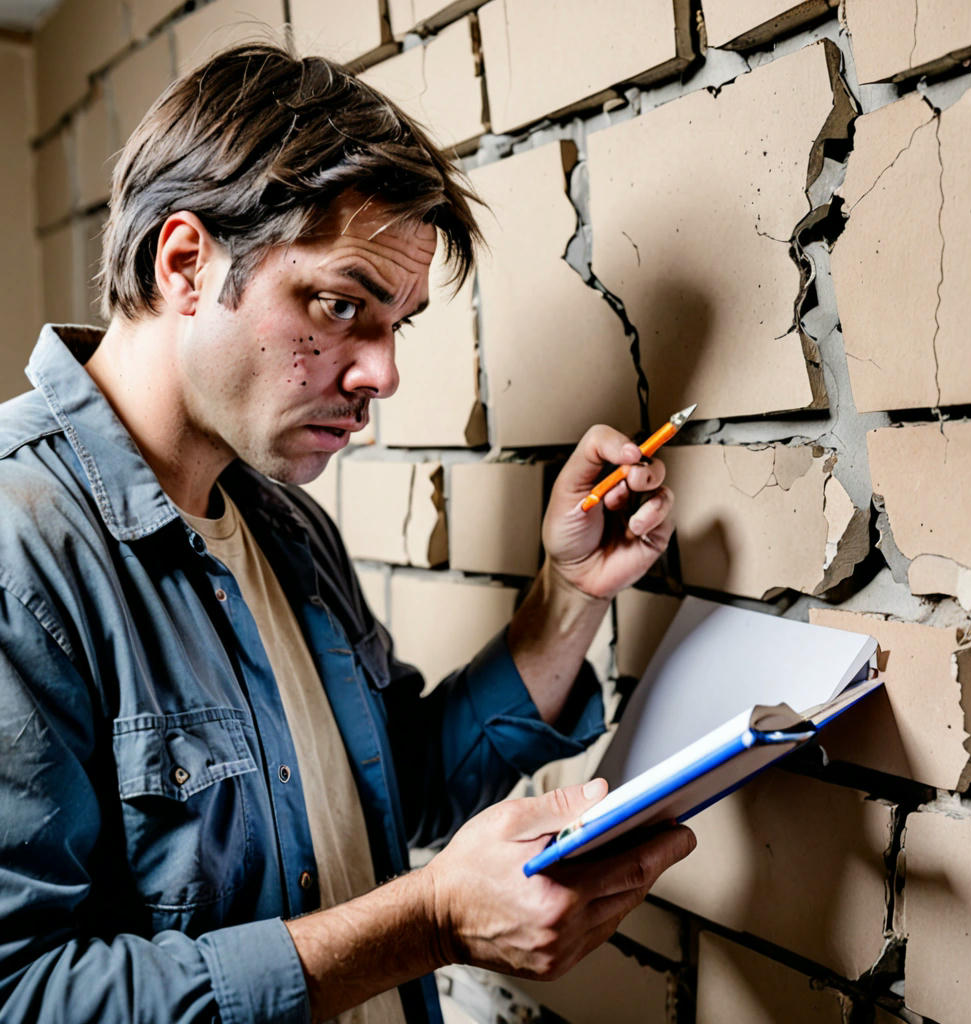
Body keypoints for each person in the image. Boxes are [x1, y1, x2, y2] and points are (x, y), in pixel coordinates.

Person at [0, 43, 696, 1024]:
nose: (381, 375)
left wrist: (568, 594)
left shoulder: (285, 525)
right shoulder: (18, 546)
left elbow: (394, 790)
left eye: (396, 324)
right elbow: (25, 993)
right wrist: (428, 924)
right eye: (339, 306)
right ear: (187, 263)